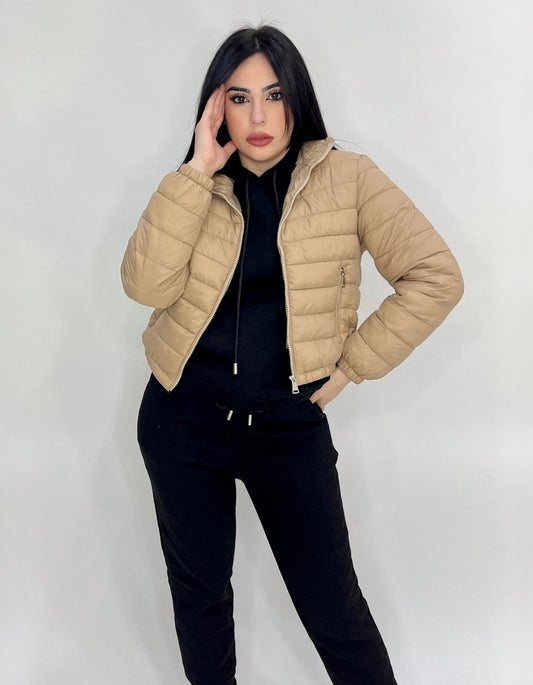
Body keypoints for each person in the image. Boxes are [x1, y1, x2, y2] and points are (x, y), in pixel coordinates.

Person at [120, 24, 463, 685]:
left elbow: (435, 275)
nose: (258, 117)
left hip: (288, 426)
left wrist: (353, 364)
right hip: (181, 419)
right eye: (239, 98)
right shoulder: (197, 185)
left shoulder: (348, 178)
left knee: (334, 608)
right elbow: (145, 288)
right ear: (215, 108)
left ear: (296, 99)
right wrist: (195, 171)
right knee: (201, 599)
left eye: (273, 95)